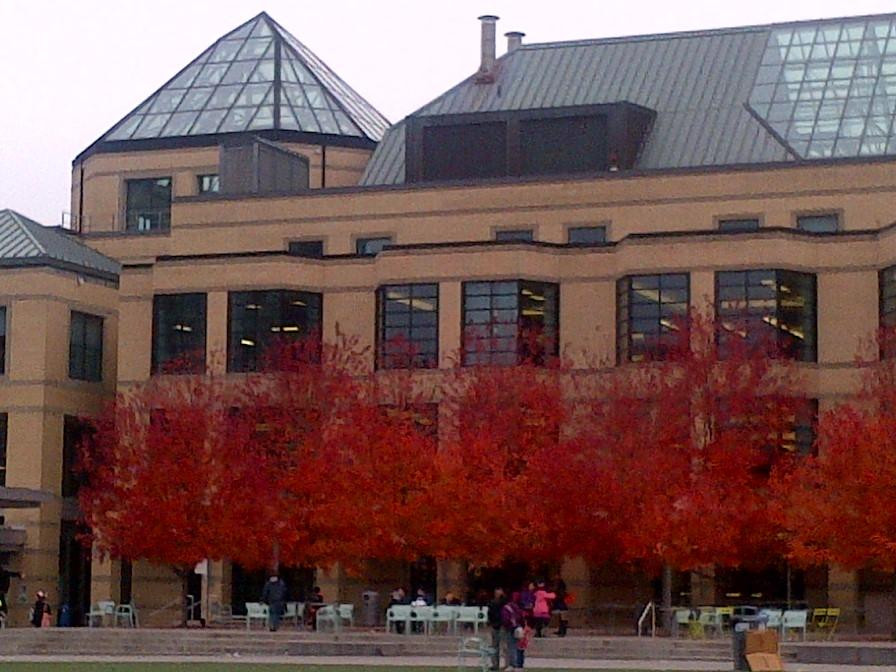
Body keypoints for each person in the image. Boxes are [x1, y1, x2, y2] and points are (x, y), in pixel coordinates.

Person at [501, 592, 524, 672]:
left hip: (510, 629)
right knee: (518, 647)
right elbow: (521, 617)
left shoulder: (506, 608)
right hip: (518, 628)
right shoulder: (518, 607)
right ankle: (519, 665)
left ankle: (513, 664)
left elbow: (505, 619)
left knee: (511, 647)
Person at [486, 587, 507, 671]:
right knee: (495, 646)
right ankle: (496, 664)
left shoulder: (503, 602)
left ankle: (505, 664)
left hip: (501, 625)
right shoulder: (493, 602)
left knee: (503, 646)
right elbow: (489, 613)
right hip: (496, 625)